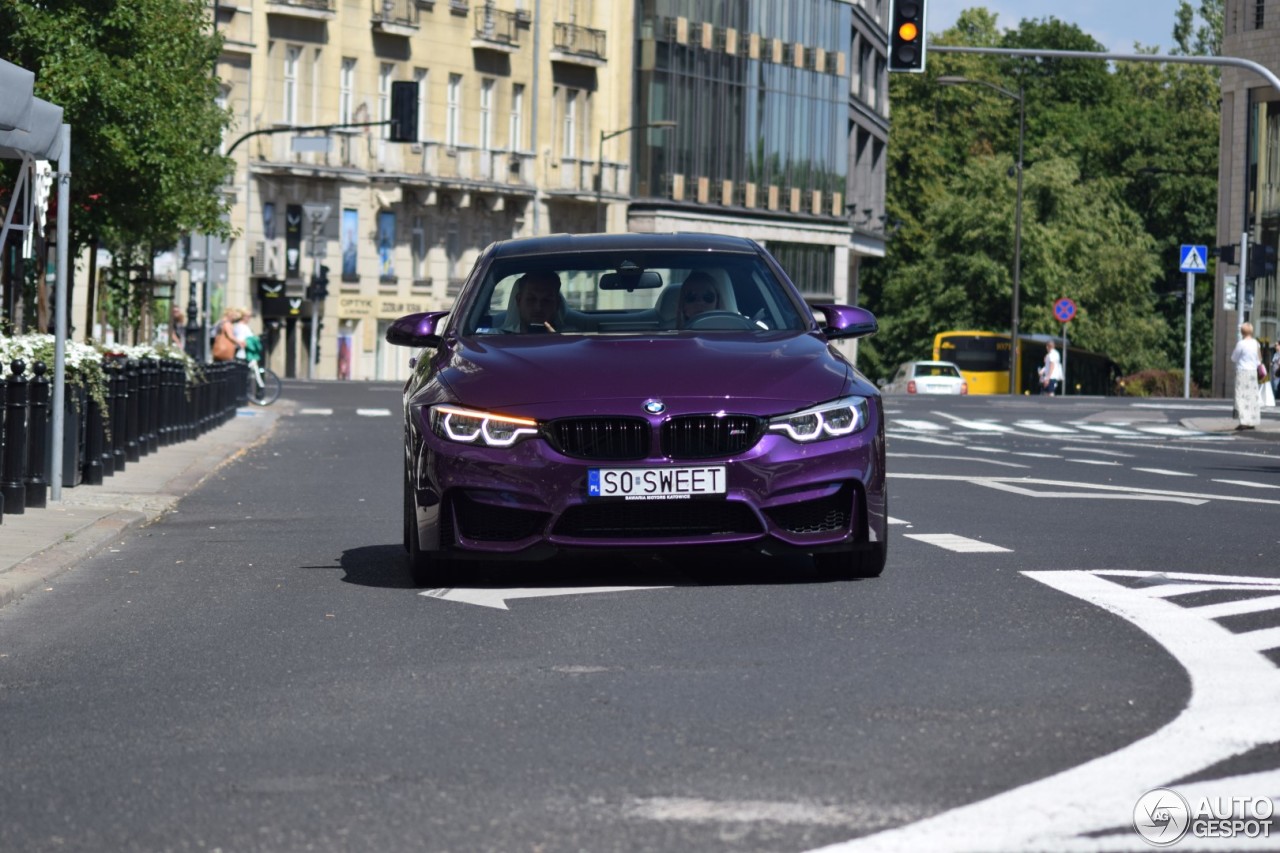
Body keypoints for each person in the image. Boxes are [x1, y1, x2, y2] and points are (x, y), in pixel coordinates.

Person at [1230, 322, 1263, 430]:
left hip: (1242, 372)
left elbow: (1234, 358)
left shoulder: (1241, 344)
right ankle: (1252, 421)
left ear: (1242, 332)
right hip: (1253, 373)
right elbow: (1259, 360)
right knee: (1252, 397)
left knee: (1241, 397)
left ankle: (1244, 421)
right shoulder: (1256, 343)